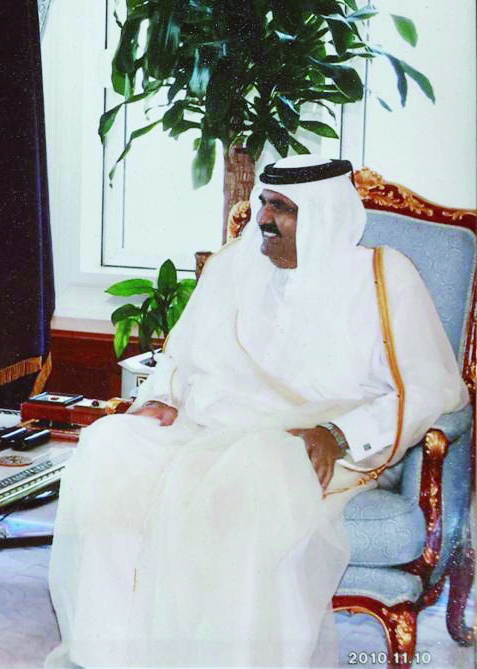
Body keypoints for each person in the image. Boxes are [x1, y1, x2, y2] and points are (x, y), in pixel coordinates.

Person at [47, 155, 467, 667]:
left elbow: (430, 387)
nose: (264, 219)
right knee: (110, 445)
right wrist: (160, 397)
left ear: (324, 214)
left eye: (283, 208)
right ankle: (111, 654)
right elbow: (180, 357)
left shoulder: (382, 276)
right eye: (264, 202)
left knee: (252, 472)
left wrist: (338, 434)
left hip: (313, 445)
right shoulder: (233, 265)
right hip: (209, 428)